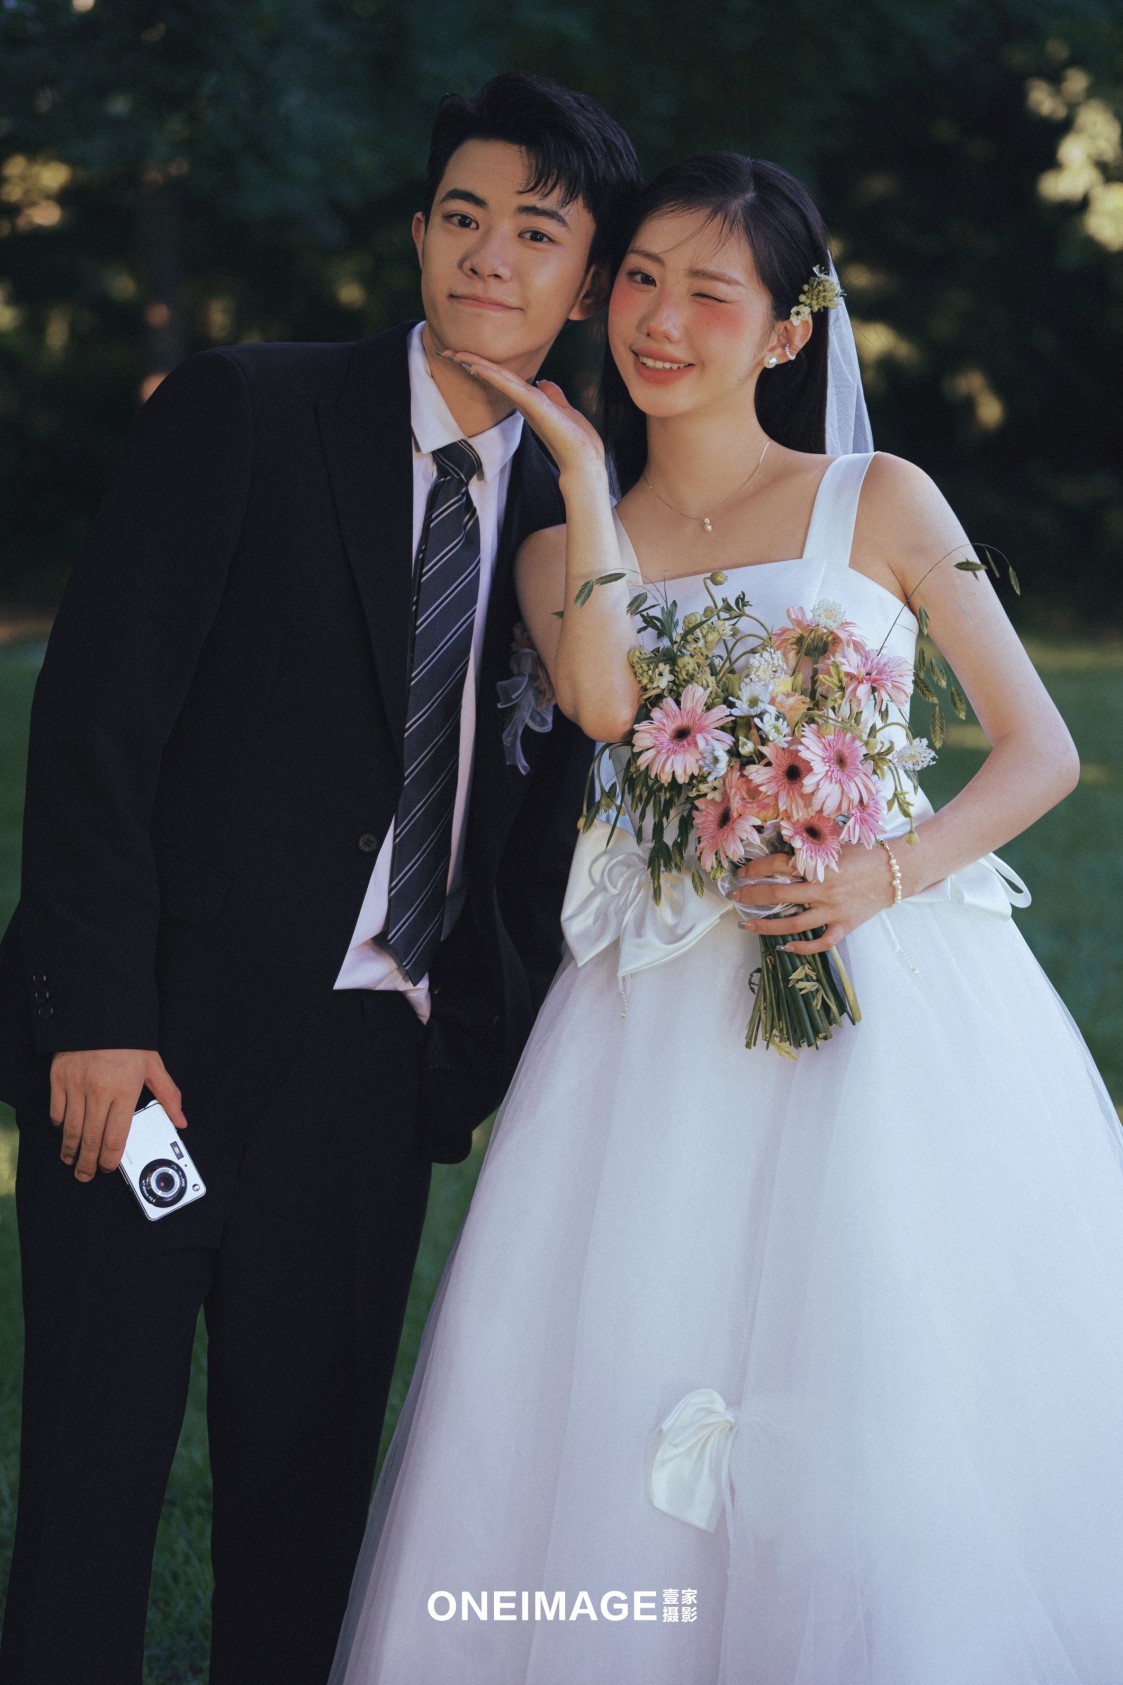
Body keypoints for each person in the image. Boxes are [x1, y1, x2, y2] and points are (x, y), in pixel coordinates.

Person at [327, 153, 1123, 1684]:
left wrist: (879, 871)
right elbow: (605, 705)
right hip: (654, 1010)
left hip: (883, 987)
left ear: (785, 330)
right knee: (634, 1345)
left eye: (709, 292)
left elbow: (1043, 750)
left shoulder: (882, 498)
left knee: (882, 1359)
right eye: (639, 280)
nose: (661, 319)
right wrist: (579, 476)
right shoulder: (561, 544)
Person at [0, 72, 641, 1685]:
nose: (488, 254)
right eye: (462, 216)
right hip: (150, 1057)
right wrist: (94, 1013)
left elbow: (550, 810)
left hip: (369, 1075)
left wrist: (461, 1054)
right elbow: (95, 725)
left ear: (587, 283)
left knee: (303, 1519)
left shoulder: (570, 523)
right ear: (418, 233)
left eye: (537, 233)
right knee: (90, 1488)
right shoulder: (248, 410)